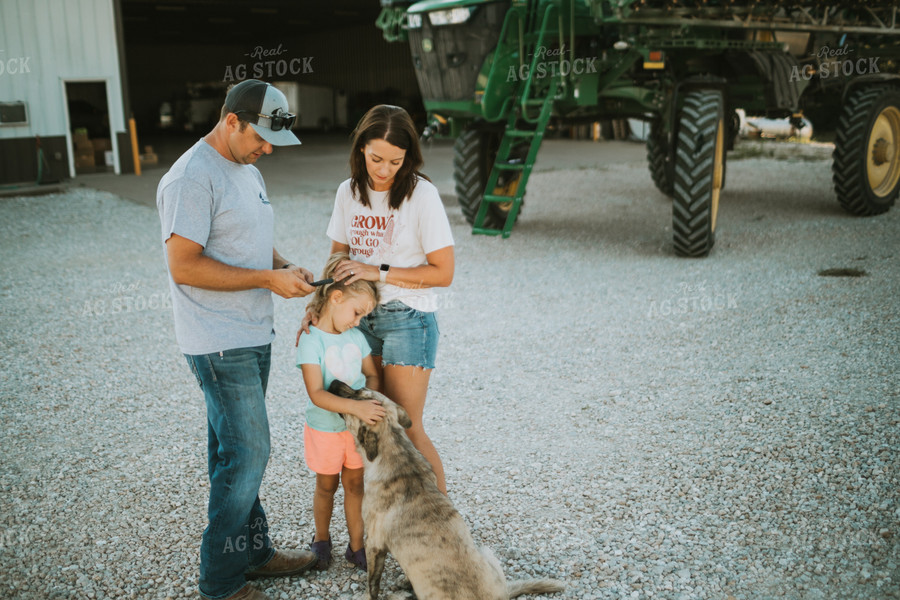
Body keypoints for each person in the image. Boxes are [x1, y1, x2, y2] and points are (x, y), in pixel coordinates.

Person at [157, 79, 319, 600]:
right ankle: (221, 583)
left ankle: (252, 552)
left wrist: (282, 264)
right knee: (249, 454)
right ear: (232, 120)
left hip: (251, 332)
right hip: (217, 339)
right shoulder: (190, 178)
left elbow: (248, 238)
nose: (267, 149)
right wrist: (268, 281)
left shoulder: (243, 167)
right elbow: (184, 266)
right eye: (261, 138)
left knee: (234, 453)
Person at [299, 104, 454, 493]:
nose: (384, 170)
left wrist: (377, 270)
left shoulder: (423, 195)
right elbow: (337, 257)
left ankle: (443, 524)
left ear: (409, 157)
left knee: (405, 426)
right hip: (358, 319)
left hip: (409, 318)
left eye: (396, 161)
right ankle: (384, 523)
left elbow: (443, 273)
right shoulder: (348, 192)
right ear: (361, 150)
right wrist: (316, 307)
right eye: (376, 158)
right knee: (370, 427)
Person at [296, 252, 385, 572]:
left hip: (356, 431)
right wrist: (356, 406)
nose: (358, 321)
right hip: (325, 429)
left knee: (356, 485)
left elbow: (372, 375)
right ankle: (321, 541)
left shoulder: (357, 338)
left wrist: (370, 400)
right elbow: (317, 394)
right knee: (326, 486)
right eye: (357, 312)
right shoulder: (311, 341)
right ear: (335, 297)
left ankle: (357, 546)